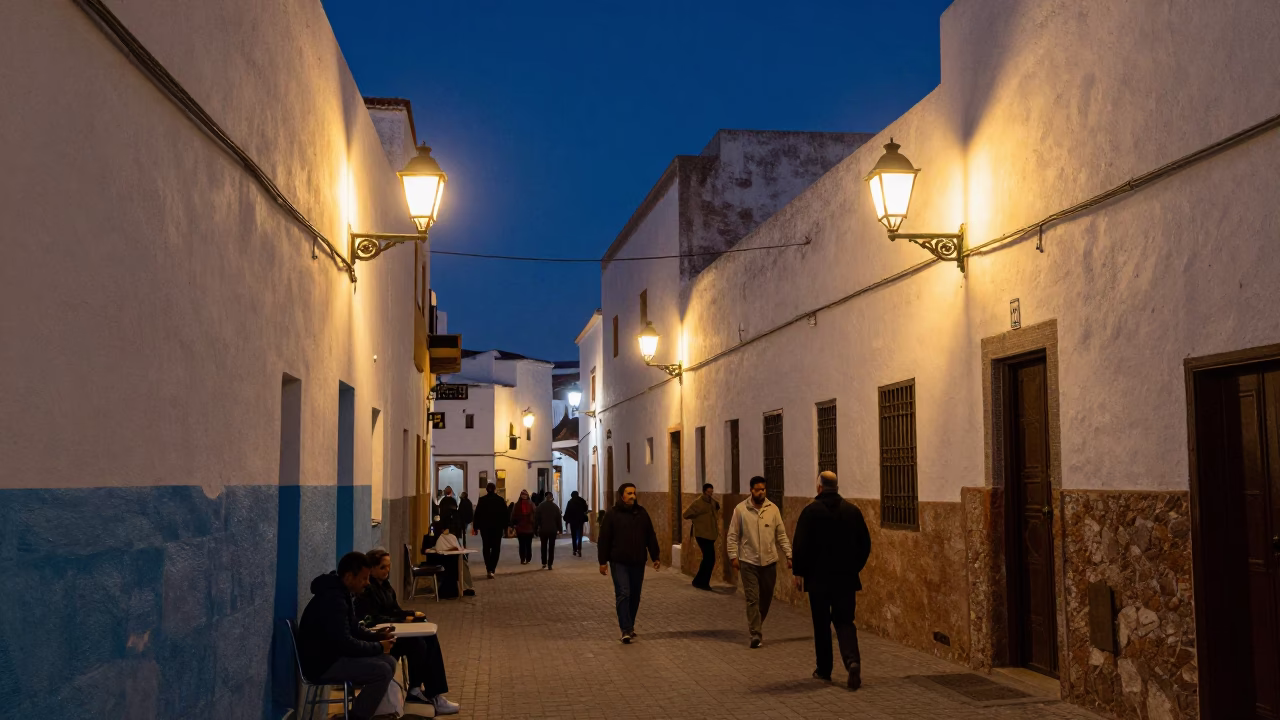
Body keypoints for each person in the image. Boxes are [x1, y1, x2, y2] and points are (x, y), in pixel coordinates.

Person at [792, 470, 872, 690]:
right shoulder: (852, 511)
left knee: (822, 625)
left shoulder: (810, 512)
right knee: (845, 622)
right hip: (845, 580)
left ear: (819, 487)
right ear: (836, 487)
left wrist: (799, 572)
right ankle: (852, 661)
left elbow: (800, 545)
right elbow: (865, 544)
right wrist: (854, 567)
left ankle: (824, 669)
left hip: (818, 581)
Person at [354, 549, 459, 715]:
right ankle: (415, 689)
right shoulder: (368, 590)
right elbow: (373, 618)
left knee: (429, 636)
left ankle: (433, 692)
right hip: (383, 637)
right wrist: (402, 620)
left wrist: (410, 615)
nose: (387, 571)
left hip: (394, 631)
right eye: (383, 568)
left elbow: (395, 610)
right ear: (371, 569)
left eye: (389, 567)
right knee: (417, 643)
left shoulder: (386, 586)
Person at [295, 552, 398, 720]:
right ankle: (356, 716)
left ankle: (362, 711)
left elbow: (354, 628)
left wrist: (377, 637)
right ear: (349, 577)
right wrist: (379, 647)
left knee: (389, 661)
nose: (367, 583)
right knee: (382, 670)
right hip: (322, 665)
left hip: (332, 657)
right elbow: (345, 643)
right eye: (364, 579)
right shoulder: (333, 600)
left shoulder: (341, 594)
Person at [726, 476, 792, 649]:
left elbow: (781, 535)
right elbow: (732, 535)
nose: (760, 492)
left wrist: (789, 554)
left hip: (769, 562)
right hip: (748, 561)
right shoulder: (741, 510)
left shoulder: (773, 509)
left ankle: (757, 622)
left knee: (766, 597)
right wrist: (733, 556)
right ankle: (755, 633)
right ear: (751, 490)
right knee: (752, 598)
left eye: (763, 489)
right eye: (757, 490)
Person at [598, 483, 660, 644]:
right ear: (622, 495)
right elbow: (604, 539)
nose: (632, 496)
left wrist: (656, 556)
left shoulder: (641, 513)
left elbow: (650, 535)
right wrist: (602, 562)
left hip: (638, 561)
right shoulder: (612, 514)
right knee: (624, 592)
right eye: (629, 493)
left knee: (635, 595)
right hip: (619, 561)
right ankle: (625, 629)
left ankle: (630, 625)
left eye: (634, 493)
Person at [682, 483, 721, 590]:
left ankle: (698, 581)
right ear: (704, 491)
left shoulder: (712, 502)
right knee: (709, 558)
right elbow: (686, 514)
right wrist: (697, 518)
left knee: (708, 559)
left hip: (711, 534)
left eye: (711, 492)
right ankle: (702, 582)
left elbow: (716, 507)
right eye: (708, 492)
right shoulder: (698, 503)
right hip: (702, 535)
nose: (710, 493)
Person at [472, 482, 507, 578]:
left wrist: (475, 527)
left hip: (485, 528)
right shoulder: (500, 500)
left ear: (486, 490)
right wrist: (506, 527)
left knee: (486, 547)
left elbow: (477, 515)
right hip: (497, 528)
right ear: (495, 489)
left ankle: (488, 567)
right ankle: (492, 568)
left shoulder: (482, 500)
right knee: (496, 548)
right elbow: (505, 515)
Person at [431, 523, 476, 596]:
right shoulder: (443, 537)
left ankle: (464, 587)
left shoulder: (449, 537)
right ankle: (464, 587)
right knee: (460, 564)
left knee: (460, 564)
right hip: (443, 560)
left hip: (448, 559)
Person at [534, 492, 563, 569]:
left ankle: (544, 562)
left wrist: (536, 528)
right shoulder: (555, 507)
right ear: (552, 498)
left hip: (543, 530)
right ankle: (550, 563)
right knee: (551, 547)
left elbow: (536, 518)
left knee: (543, 546)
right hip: (553, 530)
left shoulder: (540, 506)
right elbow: (559, 519)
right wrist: (560, 529)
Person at [509, 489, 536, 565]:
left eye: (525, 495)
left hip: (528, 528)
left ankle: (527, 558)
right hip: (521, 528)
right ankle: (523, 559)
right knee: (522, 544)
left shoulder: (531, 504)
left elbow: (535, 516)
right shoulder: (517, 505)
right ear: (520, 496)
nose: (524, 496)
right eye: (523, 495)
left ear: (527, 496)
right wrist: (512, 525)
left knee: (528, 544)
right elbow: (513, 516)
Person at [564, 490, 589, 557]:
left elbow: (567, 511)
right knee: (579, 535)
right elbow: (585, 509)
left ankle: (574, 549)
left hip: (573, 521)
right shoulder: (582, 501)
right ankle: (579, 549)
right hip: (580, 520)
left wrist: (566, 519)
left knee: (574, 536)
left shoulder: (570, 502)